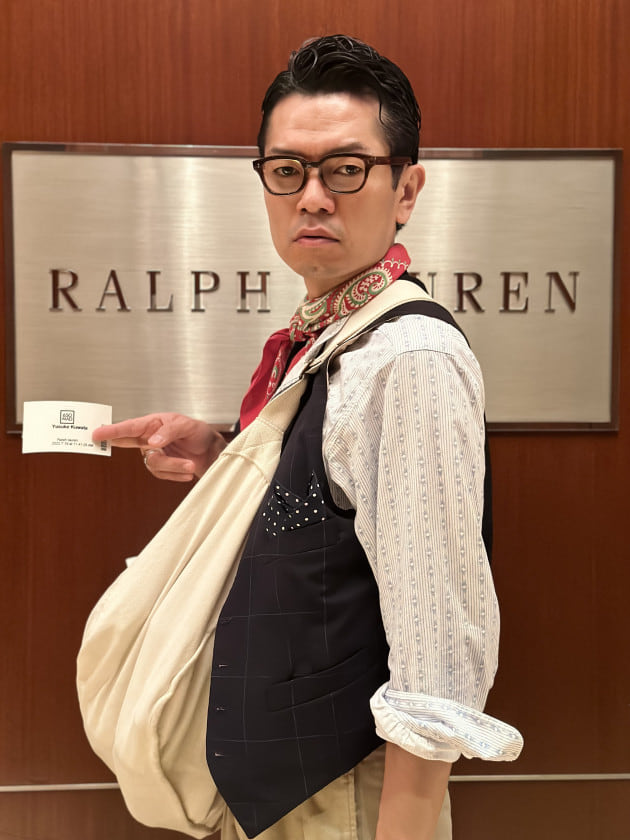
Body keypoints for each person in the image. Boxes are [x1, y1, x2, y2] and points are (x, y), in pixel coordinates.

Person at [93, 34, 523, 840]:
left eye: (346, 169)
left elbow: (436, 648)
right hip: (283, 794)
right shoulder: (333, 333)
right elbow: (335, 518)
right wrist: (225, 459)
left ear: (406, 189)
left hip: (348, 799)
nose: (313, 197)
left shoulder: (408, 357)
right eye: (288, 170)